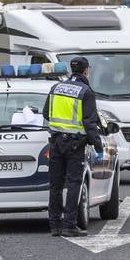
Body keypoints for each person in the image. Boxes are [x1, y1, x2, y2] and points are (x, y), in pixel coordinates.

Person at [46, 56, 105, 237]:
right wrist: (99, 147)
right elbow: (90, 124)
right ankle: (69, 225)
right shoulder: (85, 92)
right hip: (74, 145)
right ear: (86, 71)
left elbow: (45, 113)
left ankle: (55, 225)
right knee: (73, 184)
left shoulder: (56, 88)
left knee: (55, 185)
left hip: (55, 143)